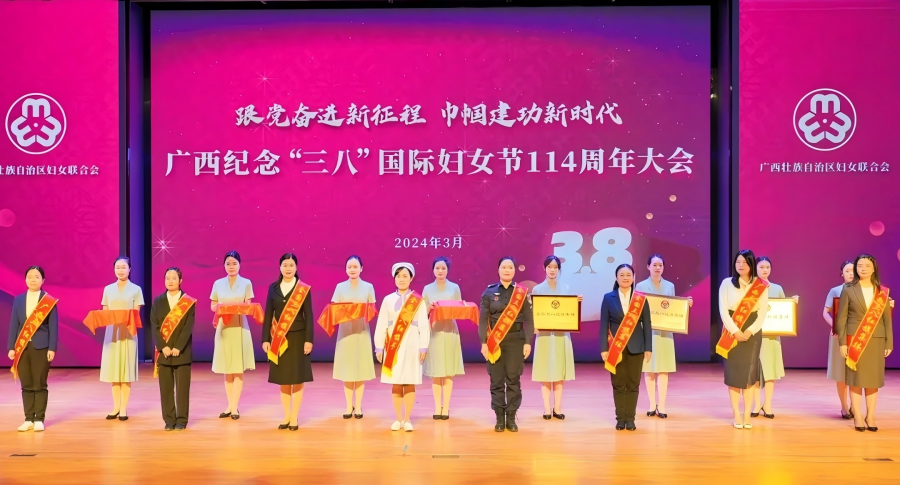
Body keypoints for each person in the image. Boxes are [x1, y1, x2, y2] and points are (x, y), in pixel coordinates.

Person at [837, 254, 893, 432]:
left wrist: (889, 343)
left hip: (876, 340)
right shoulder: (848, 289)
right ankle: (858, 416)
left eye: (867, 265)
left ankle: (870, 416)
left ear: (874, 268)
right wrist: (842, 342)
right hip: (855, 340)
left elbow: (886, 320)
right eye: (860, 265)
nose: (863, 268)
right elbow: (841, 319)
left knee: (872, 380)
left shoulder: (882, 291)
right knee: (855, 379)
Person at [479, 257, 534, 433]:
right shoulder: (489, 292)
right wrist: (483, 342)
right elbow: (483, 320)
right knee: (496, 380)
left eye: (510, 267)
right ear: (498, 270)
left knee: (513, 379)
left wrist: (527, 342)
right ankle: (499, 417)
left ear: (514, 270)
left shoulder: (522, 292)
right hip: (495, 341)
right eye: (504, 267)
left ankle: (511, 416)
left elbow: (529, 319)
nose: (507, 270)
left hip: (516, 340)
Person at [261, 253, 314, 431]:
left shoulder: (303, 289)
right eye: (285, 265)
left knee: (297, 378)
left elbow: (309, 316)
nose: (288, 268)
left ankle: (294, 417)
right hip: (279, 339)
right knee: (283, 379)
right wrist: (265, 339)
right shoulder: (273, 288)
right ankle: (286, 415)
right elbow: (268, 315)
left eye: (291, 265)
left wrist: (309, 340)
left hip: (298, 339)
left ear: (296, 267)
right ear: (280, 267)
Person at [374, 263, 429, 432]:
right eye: (398, 276)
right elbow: (382, 323)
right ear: (394, 278)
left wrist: (423, 347)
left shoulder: (418, 300)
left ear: (411, 278)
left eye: (405, 276)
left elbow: (424, 325)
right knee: (397, 382)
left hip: (412, 344)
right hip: (394, 346)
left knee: (409, 382)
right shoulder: (388, 300)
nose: (401, 279)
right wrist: (379, 347)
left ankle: (407, 419)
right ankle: (398, 419)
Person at [718, 249, 769, 430]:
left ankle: (747, 414)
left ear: (751, 264)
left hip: (752, 333)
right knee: (734, 375)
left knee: (749, 376)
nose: (740, 265)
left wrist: (750, 331)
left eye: (744, 262)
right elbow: (723, 310)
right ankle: (736, 415)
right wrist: (734, 331)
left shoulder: (760, 285)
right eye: (738, 262)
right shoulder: (726, 283)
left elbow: (762, 312)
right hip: (731, 330)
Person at [637, 254, 692, 419]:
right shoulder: (640, 285)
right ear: (648, 267)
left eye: (660, 265)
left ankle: (662, 405)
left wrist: (685, 304)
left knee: (663, 369)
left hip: (665, 333)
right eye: (654, 265)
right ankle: (651, 404)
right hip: (648, 332)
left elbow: (672, 306)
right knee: (649, 369)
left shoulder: (669, 286)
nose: (657, 268)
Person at [600, 264, 653, 431]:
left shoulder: (641, 299)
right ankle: (620, 419)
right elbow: (603, 325)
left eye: (628, 275)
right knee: (618, 384)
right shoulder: (608, 298)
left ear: (633, 277)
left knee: (633, 384)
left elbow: (647, 324)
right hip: (616, 348)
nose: (625, 278)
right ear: (616, 278)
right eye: (621, 275)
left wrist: (648, 348)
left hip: (637, 347)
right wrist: (604, 348)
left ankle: (630, 419)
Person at [7, 266, 58, 432]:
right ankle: (28, 418)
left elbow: (53, 327)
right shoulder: (18, 300)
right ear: (25, 280)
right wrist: (11, 347)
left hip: (42, 347)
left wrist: (52, 348)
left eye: (36, 277)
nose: (32, 279)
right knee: (26, 383)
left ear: (43, 280)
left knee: (39, 383)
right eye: (29, 276)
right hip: (22, 347)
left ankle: (39, 419)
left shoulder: (48, 301)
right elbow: (14, 324)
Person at [531, 255, 582, 420]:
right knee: (545, 371)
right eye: (549, 267)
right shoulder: (537, 290)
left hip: (561, 336)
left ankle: (557, 408)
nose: (552, 270)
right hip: (544, 336)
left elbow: (571, 312)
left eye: (555, 267)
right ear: (544, 268)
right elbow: (533, 313)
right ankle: (547, 408)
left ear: (559, 269)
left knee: (559, 372)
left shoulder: (566, 289)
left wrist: (576, 303)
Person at [211, 250, 255, 420]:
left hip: (239, 328)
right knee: (227, 368)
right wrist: (221, 307)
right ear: (224, 265)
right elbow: (213, 306)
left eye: (234, 263)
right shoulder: (217, 283)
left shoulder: (246, 283)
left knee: (237, 368)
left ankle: (235, 407)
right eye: (228, 263)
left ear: (239, 265)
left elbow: (249, 306)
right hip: (224, 328)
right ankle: (229, 405)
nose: (231, 266)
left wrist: (236, 307)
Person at [751, 256, 798, 419]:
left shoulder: (777, 288)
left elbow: (783, 309)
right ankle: (756, 404)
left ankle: (768, 404)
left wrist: (792, 303)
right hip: (754, 336)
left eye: (768, 267)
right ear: (755, 268)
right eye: (761, 267)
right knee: (755, 372)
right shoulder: (750, 288)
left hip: (771, 337)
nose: (765, 270)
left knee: (770, 371)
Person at [150, 267, 195, 431]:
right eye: (167, 278)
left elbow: (188, 327)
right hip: (164, 353)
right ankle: (169, 420)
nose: (170, 280)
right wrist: (163, 347)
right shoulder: (158, 301)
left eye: (174, 278)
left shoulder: (188, 302)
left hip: (182, 352)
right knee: (166, 389)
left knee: (182, 389)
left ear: (180, 281)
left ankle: (182, 420)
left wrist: (177, 347)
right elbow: (154, 325)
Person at [331, 255, 377, 419]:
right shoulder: (340, 287)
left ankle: (358, 406)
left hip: (362, 332)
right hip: (345, 334)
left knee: (360, 369)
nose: (352, 269)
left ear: (361, 268)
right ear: (345, 269)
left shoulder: (368, 287)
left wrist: (362, 311)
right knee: (347, 370)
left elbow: (372, 309)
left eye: (355, 267)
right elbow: (334, 309)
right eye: (349, 267)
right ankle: (348, 405)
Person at [100, 256, 144, 421]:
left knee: (125, 371)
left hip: (128, 332)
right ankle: (115, 407)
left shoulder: (136, 289)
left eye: (123, 267)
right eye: (117, 267)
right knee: (114, 371)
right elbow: (105, 312)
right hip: (112, 333)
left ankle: (124, 408)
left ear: (129, 269)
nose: (120, 270)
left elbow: (136, 313)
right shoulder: (108, 289)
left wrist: (122, 317)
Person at [422, 256, 465, 420]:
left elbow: (459, 310)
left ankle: (445, 407)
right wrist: (429, 307)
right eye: (437, 268)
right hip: (434, 331)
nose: (440, 271)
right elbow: (422, 312)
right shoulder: (427, 289)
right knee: (436, 371)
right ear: (433, 270)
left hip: (449, 331)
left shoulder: (454, 288)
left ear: (447, 270)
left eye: (443, 268)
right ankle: (437, 407)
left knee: (447, 372)